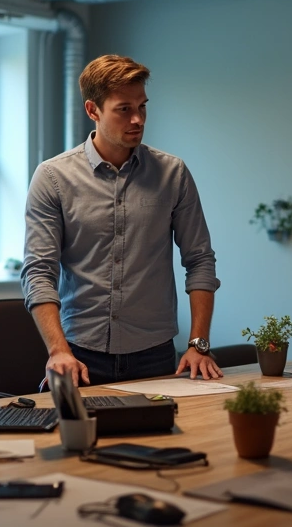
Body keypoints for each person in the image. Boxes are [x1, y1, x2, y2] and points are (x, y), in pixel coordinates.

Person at [21, 54, 222, 387]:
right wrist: (58, 350)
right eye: (124, 109)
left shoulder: (172, 174)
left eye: (142, 107)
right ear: (93, 110)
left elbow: (200, 260)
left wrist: (198, 344)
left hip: (156, 354)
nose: (137, 119)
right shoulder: (53, 177)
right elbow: (39, 270)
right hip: (78, 356)